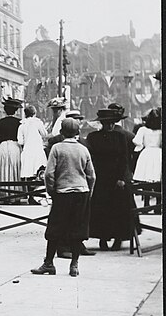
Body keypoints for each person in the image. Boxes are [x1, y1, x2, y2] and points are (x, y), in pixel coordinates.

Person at [31, 118, 96, 277]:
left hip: (62, 193)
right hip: (82, 192)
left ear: (61, 132)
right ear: (77, 133)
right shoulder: (83, 149)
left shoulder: (57, 148)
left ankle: (48, 263)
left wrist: (51, 191)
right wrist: (89, 192)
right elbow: (92, 176)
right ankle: (74, 265)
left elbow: (49, 174)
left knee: (54, 228)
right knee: (77, 228)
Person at [86, 108, 137, 251]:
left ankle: (118, 238)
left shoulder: (119, 137)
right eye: (106, 123)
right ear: (102, 123)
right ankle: (102, 238)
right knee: (101, 208)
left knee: (117, 208)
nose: (109, 126)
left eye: (112, 123)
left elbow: (123, 159)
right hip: (100, 178)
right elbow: (91, 158)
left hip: (116, 179)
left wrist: (122, 178)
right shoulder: (93, 137)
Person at [0, 97, 23, 203]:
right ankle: (16, 195)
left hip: (3, 147)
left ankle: (3, 194)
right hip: (15, 147)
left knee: (3, 169)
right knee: (15, 169)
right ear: (15, 111)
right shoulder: (20, 122)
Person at [17, 106, 48, 200]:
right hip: (37, 150)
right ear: (34, 113)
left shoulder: (22, 125)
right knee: (39, 172)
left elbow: (20, 141)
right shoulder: (38, 123)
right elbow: (45, 134)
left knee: (28, 173)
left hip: (27, 151)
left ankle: (29, 195)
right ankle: (38, 196)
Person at [132, 108, 161, 183]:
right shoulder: (161, 131)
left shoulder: (143, 130)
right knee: (157, 172)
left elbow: (137, 141)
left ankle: (146, 193)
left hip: (147, 153)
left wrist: (140, 146)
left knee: (146, 173)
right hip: (158, 153)